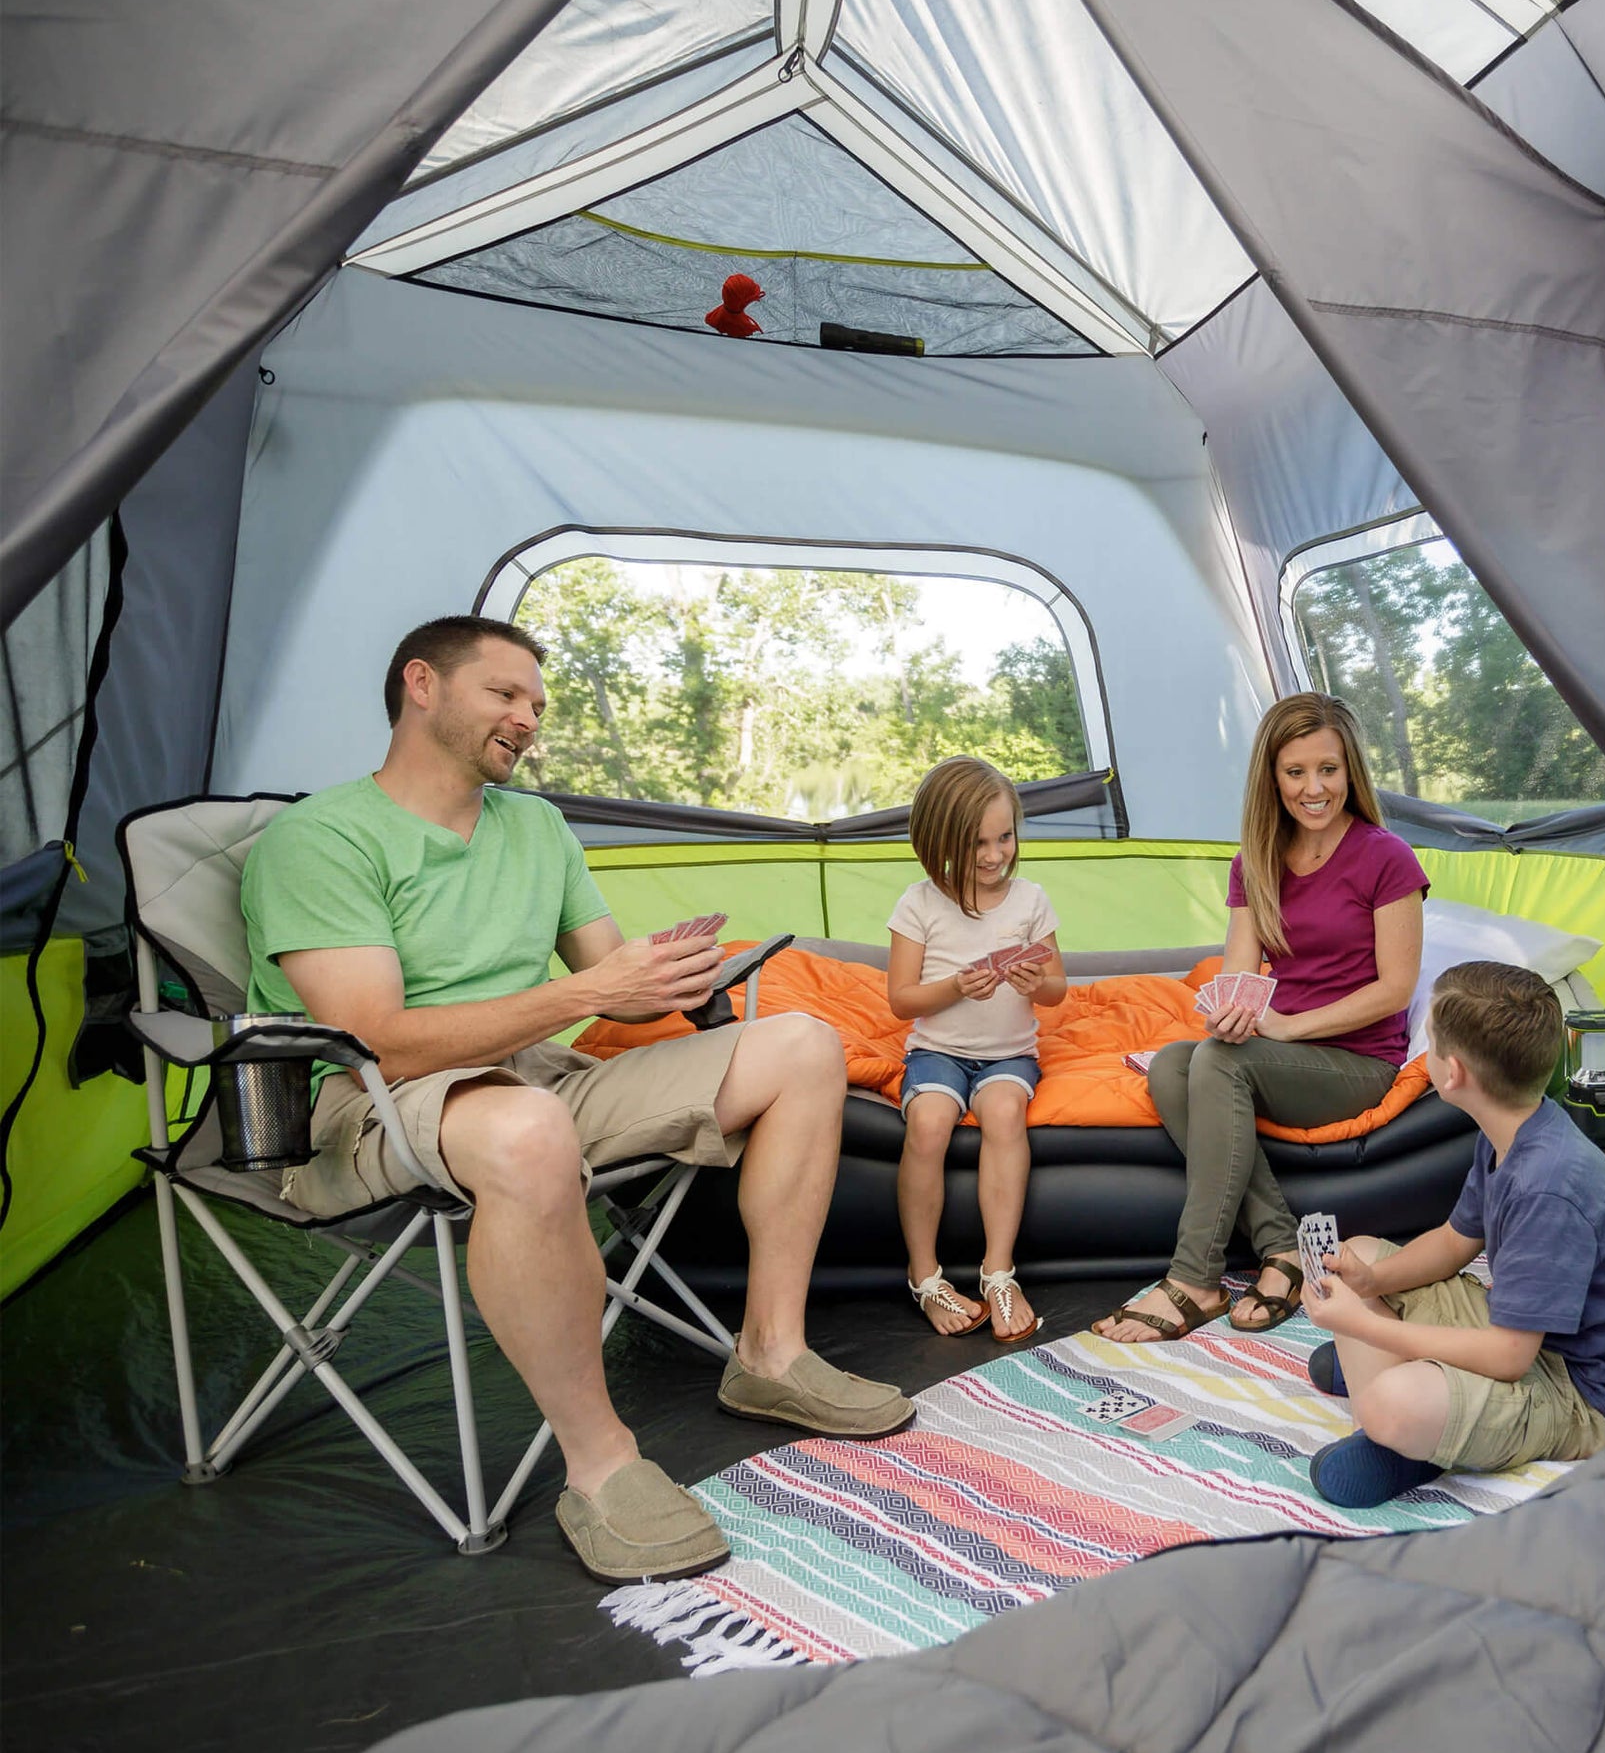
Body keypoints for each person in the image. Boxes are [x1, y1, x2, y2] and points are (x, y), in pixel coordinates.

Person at [240, 615, 913, 1584]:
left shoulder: (537, 827)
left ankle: (771, 1352)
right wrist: (587, 994)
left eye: (537, 705)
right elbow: (376, 1038)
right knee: (527, 1128)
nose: (528, 718)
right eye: (505, 694)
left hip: (534, 1077)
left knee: (803, 1045)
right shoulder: (320, 838)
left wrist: (670, 975)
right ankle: (600, 1464)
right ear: (422, 684)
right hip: (375, 1104)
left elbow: (606, 975)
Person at [1095, 693, 1426, 1343]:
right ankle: (1282, 1249)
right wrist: (1230, 1018)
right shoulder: (1255, 862)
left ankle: (1195, 1278)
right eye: (1296, 772)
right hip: (1277, 1055)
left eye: (1328, 769)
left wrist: (1285, 1027)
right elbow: (1237, 976)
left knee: (1217, 1065)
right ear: (1272, 778)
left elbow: (1396, 989)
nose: (1314, 788)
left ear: (1350, 771)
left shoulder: (1387, 857)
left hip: (1357, 1062)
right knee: (1173, 1064)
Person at [1300, 960, 1605, 1508]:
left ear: (1453, 1074)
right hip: (1526, 1340)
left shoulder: (1547, 1187)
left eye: (1428, 1041)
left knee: (1389, 1401)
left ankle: (1397, 1435)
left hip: (1579, 1394)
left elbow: (1509, 1357)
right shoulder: (1513, 1129)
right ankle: (1408, 1393)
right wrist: (1371, 1282)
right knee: (1359, 1258)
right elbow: (1453, 1243)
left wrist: (1367, 1329)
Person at [887, 756, 1067, 1343]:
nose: (994, 856)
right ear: (939, 842)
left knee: (1005, 1113)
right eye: (976, 844)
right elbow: (901, 1001)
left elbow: (1058, 990)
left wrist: (1034, 983)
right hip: (937, 1050)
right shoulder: (918, 903)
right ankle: (925, 1276)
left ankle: (999, 1273)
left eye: (1004, 838)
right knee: (929, 1121)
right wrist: (956, 987)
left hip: (1009, 1055)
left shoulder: (1031, 900)